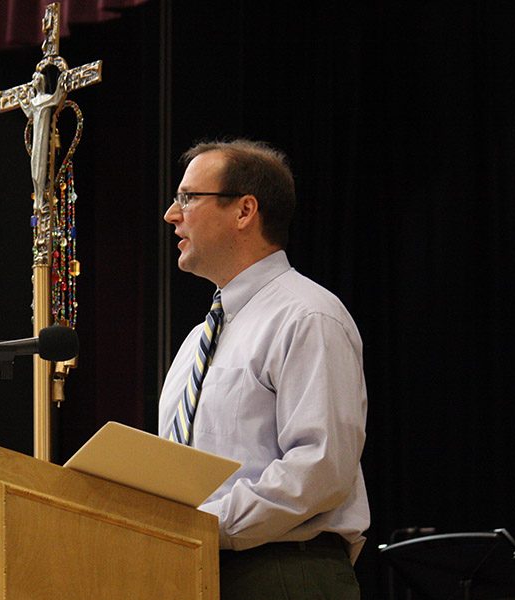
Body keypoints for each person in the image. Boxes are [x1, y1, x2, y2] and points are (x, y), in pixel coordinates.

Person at [158, 139, 369, 599]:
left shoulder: (307, 315)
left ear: (244, 210)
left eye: (188, 198)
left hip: (281, 573)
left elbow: (319, 468)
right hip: (191, 572)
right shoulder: (198, 341)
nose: (172, 215)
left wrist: (202, 525)